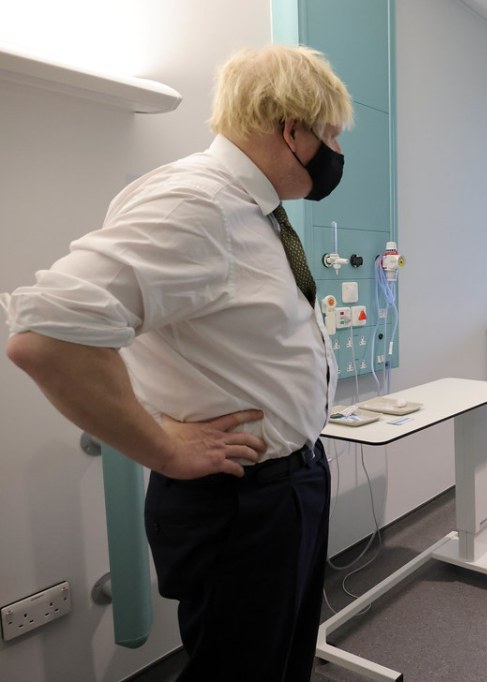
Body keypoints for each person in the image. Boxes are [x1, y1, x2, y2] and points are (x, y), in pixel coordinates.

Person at [2, 45, 354, 682]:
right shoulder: (198, 205)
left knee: (282, 663)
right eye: (332, 135)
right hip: (240, 500)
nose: (338, 154)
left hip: (292, 482)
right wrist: (163, 448)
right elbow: (45, 334)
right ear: (291, 128)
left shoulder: (259, 217)